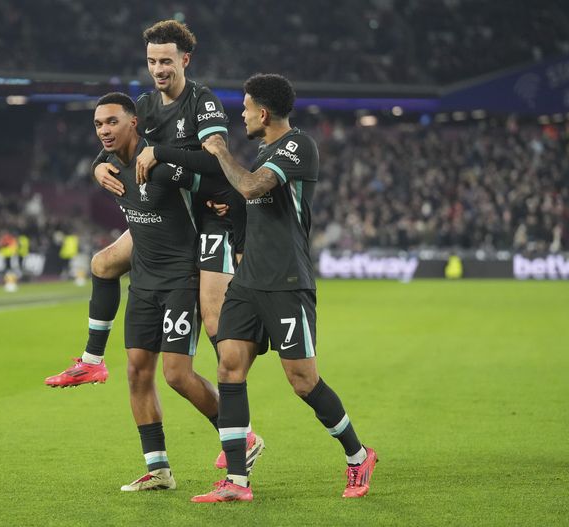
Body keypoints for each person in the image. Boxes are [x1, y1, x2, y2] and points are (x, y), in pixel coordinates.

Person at [191, 74, 377, 503]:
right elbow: (252, 201)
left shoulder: (298, 145)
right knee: (229, 367)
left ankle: (358, 455)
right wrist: (230, 208)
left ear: (263, 113)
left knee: (303, 380)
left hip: (286, 282)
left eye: (245, 108)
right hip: (248, 281)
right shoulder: (262, 154)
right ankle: (237, 481)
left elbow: (253, 186)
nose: (241, 115)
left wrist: (220, 151)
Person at [46, 19, 244, 389]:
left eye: (166, 61)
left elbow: (217, 162)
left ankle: (235, 403)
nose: (158, 69)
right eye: (152, 61)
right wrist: (97, 167)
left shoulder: (202, 102)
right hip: (167, 212)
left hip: (208, 214)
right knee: (103, 263)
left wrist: (160, 152)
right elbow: (116, 144)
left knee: (214, 319)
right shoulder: (145, 105)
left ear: (185, 60)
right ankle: (92, 361)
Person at [86, 93, 262, 491]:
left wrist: (222, 205)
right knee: (136, 370)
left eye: (111, 122)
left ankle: (242, 434)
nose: (104, 130)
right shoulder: (119, 154)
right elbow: (109, 145)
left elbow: (217, 174)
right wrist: (96, 167)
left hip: (181, 272)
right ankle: (158, 469)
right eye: (98, 124)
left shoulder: (174, 143)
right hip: (144, 278)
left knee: (177, 374)